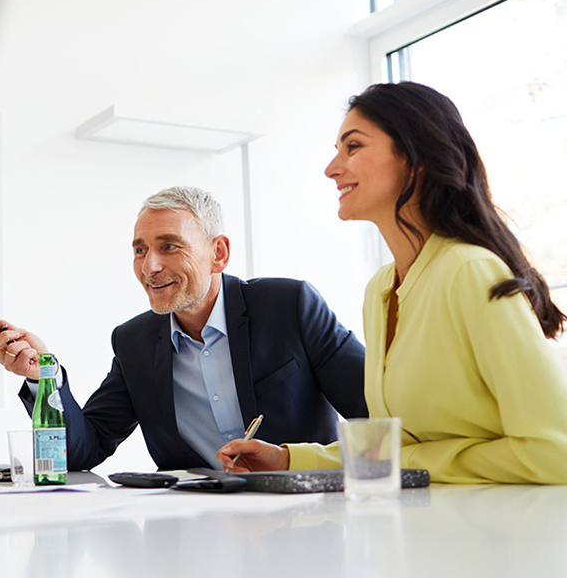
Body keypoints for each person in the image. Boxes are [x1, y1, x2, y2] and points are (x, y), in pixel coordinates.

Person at [217, 82, 567, 484]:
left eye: (353, 147)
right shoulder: (381, 290)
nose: (332, 169)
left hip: (498, 537)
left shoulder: (470, 272)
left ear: (415, 158)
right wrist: (288, 460)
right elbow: (396, 448)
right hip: (424, 533)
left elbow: (555, 451)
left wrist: (416, 463)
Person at [0, 186, 367, 471]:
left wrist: (295, 461)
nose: (149, 266)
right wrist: (45, 376)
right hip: (193, 538)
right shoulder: (133, 342)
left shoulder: (289, 306)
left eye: (169, 246)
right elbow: (84, 449)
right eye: (140, 250)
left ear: (218, 253)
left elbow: (379, 418)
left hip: (309, 522)